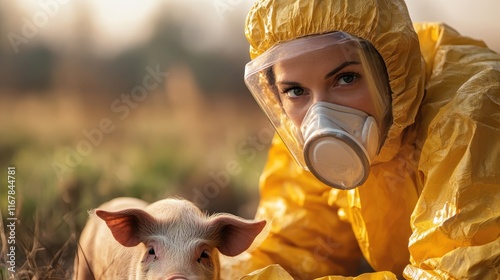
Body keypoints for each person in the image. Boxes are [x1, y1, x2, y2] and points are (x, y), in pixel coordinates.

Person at [220, 0, 500, 279]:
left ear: (390, 70)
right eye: (295, 91)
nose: (321, 115)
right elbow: (294, 249)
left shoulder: (471, 114)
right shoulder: (304, 136)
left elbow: (461, 270)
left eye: (346, 78)